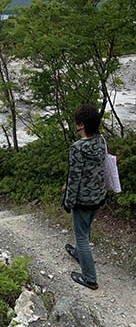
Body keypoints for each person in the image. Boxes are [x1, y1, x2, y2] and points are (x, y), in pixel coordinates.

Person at [61, 104, 107, 290]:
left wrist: (68, 202)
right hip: (98, 195)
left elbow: (74, 178)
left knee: (81, 236)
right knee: (86, 228)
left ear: (81, 125)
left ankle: (89, 277)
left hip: (83, 199)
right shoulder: (101, 141)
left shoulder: (78, 148)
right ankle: (79, 253)